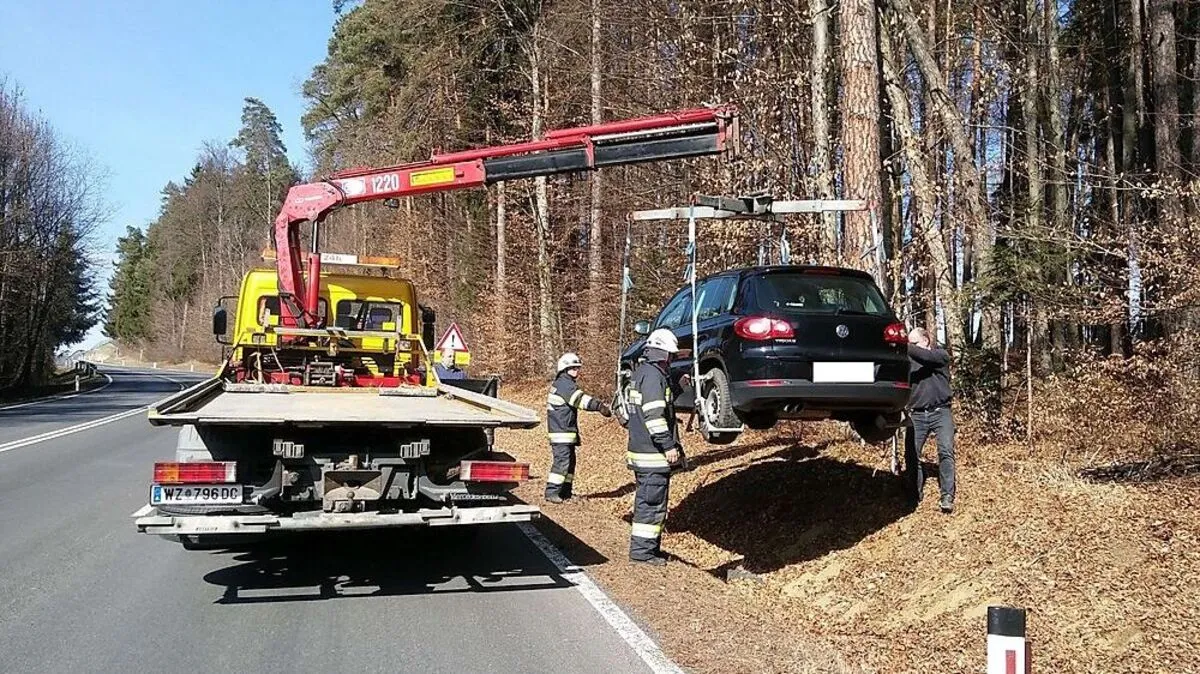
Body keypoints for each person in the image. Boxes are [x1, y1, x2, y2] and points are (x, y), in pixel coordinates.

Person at [624, 328, 688, 566]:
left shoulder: (643, 373)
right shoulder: (653, 377)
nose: (672, 360)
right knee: (651, 506)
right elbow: (654, 417)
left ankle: (647, 550)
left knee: (648, 503)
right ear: (664, 355)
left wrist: (679, 386)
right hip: (653, 455)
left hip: (642, 453)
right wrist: (669, 446)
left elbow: (657, 403)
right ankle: (643, 553)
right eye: (671, 356)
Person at [545, 352, 611, 503]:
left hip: (564, 431)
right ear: (564, 369)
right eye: (573, 368)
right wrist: (600, 406)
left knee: (569, 463)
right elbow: (580, 400)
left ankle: (565, 492)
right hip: (561, 432)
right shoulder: (564, 384)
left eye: (577, 368)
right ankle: (552, 492)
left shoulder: (563, 383)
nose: (576, 371)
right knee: (562, 462)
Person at [905, 326, 956, 513]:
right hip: (917, 415)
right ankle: (914, 495)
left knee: (945, 451)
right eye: (909, 344)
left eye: (914, 343)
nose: (911, 347)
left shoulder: (939, 356)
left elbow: (925, 357)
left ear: (925, 341)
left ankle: (947, 496)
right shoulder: (909, 363)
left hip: (941, 412)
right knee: (911, 455)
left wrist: (902, 344)